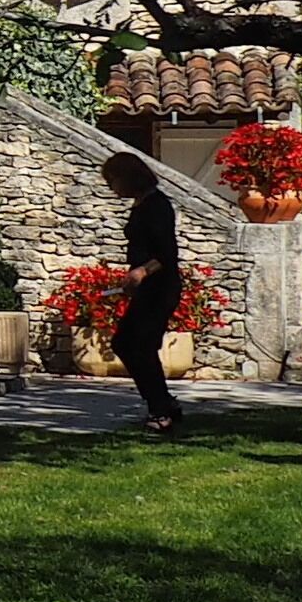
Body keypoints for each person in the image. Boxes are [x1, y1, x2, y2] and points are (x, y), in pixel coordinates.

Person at [101, 154, 182, 436]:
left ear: (129, 177)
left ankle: (161, 411)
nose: (112, 188)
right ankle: (163, 404)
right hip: (148, 288)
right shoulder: (142, 205)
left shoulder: (157, 206)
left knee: (138, 345)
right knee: (127, 343)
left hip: (161, 287)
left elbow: (166, 254)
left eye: (113, 181)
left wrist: (143, 273)